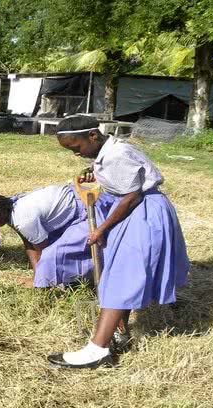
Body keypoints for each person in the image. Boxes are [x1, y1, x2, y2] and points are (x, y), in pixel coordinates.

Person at [47, 115, 189, 369]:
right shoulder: (109, 152)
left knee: (121, 275)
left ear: (92, 135)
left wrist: (101, 229)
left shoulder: (115, 156)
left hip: (142, 212)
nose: (75, 154)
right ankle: (119, 332)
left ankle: (97, 350)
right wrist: (98, 172)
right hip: (138, 210)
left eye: (75, 147)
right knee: (122, 273)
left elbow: (131, 197)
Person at [0, 184, 115, 287]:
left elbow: (42, 252)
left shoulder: (24, 219)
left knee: (53, 255)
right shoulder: (10, 207)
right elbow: (28, 244)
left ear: (0, 213)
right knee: (48, 256)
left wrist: (40, 282)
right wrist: (38, 276)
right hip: (71, 208)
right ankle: (48, 280)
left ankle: (93, 279)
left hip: (88, 210)